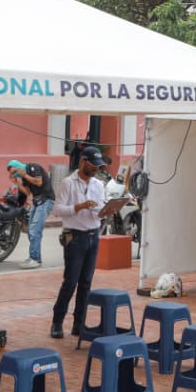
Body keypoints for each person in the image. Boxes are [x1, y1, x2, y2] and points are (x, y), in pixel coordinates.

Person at [50, 145, 124, 339]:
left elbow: (98, 212)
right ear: (83, 162)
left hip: (93, 235)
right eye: (93, 165)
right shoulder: (68, 183)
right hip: (75, 237)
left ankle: (78, 324)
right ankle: (57, 322)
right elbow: (57, 210)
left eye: (98, 166)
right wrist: (79, 206)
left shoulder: (98, 185)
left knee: (86, 283)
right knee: (70, 282)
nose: (96, 169)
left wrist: (107, 211)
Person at [10, 157, 56, 268]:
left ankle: (35, 259)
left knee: (35, 230)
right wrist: (16, 182)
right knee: (31, 230)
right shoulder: (24, 177)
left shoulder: (33, 167)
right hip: (37, 201)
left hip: (46, 200)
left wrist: (24, 175)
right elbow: (27, 192)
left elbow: (39, 182)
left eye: (15, 171)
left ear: (18, 167)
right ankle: (34, 256)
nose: (15, 174)